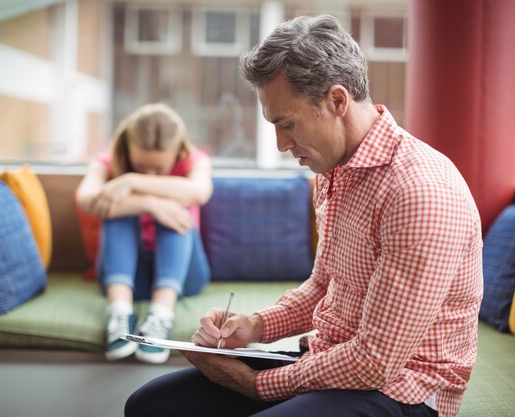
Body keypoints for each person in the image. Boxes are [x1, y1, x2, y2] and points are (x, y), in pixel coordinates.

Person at [125, 14, 482, 416]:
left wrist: (256, 385)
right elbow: (323, 285)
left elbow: (375, 362)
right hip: (333, 362)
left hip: (403, 390)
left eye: (287, 124)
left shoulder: (418, 192)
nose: (280, 144)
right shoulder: (334, 170)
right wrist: (254, 326)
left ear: (337, 101)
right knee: (151, 406)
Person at [76, 102, 213, 364]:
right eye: (140, 166)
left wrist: (132, 182)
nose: (149, 173)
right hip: (126, 276)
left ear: (178, 152)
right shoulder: (106, 162)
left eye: (160, 169)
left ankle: (161, 314)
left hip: (183, 276)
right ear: (127, 148)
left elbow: (199, 192)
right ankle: (120, 313)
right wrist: (150, 204)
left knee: (175, 212)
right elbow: (87, 198)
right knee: (116, 212)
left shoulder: (194, 161)